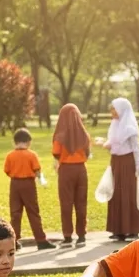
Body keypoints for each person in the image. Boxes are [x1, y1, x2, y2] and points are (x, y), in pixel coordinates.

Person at [4, 128, 55, 251]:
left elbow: (7, 170)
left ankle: (13, 241)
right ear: (28, 142)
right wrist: (41, 180)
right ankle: (41, 240)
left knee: (15, 213)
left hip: (15, 183)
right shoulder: (31, 155)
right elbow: (37, 170)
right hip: (28, 184)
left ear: (14, 141)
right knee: (33, 212)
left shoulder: (10, 155)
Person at [52, 103, 92, 246]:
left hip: (66, 170)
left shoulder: (59, 136)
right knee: (81, 203)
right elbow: (88, 153)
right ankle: (82, 236)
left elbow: (56, 153)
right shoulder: (84, 135)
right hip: (81, 170)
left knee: (66, 203)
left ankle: (68, 236)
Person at [105, 97, 139, 242]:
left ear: (121, 109)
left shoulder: (130, 128)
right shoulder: (114, 125)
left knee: (129, 194)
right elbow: (114, 144)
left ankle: (133, 229)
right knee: (116, 194)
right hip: (116, 161)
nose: (112, 112)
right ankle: (118, 229)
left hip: (128, 163)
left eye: (114, 109)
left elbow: (136, 148)